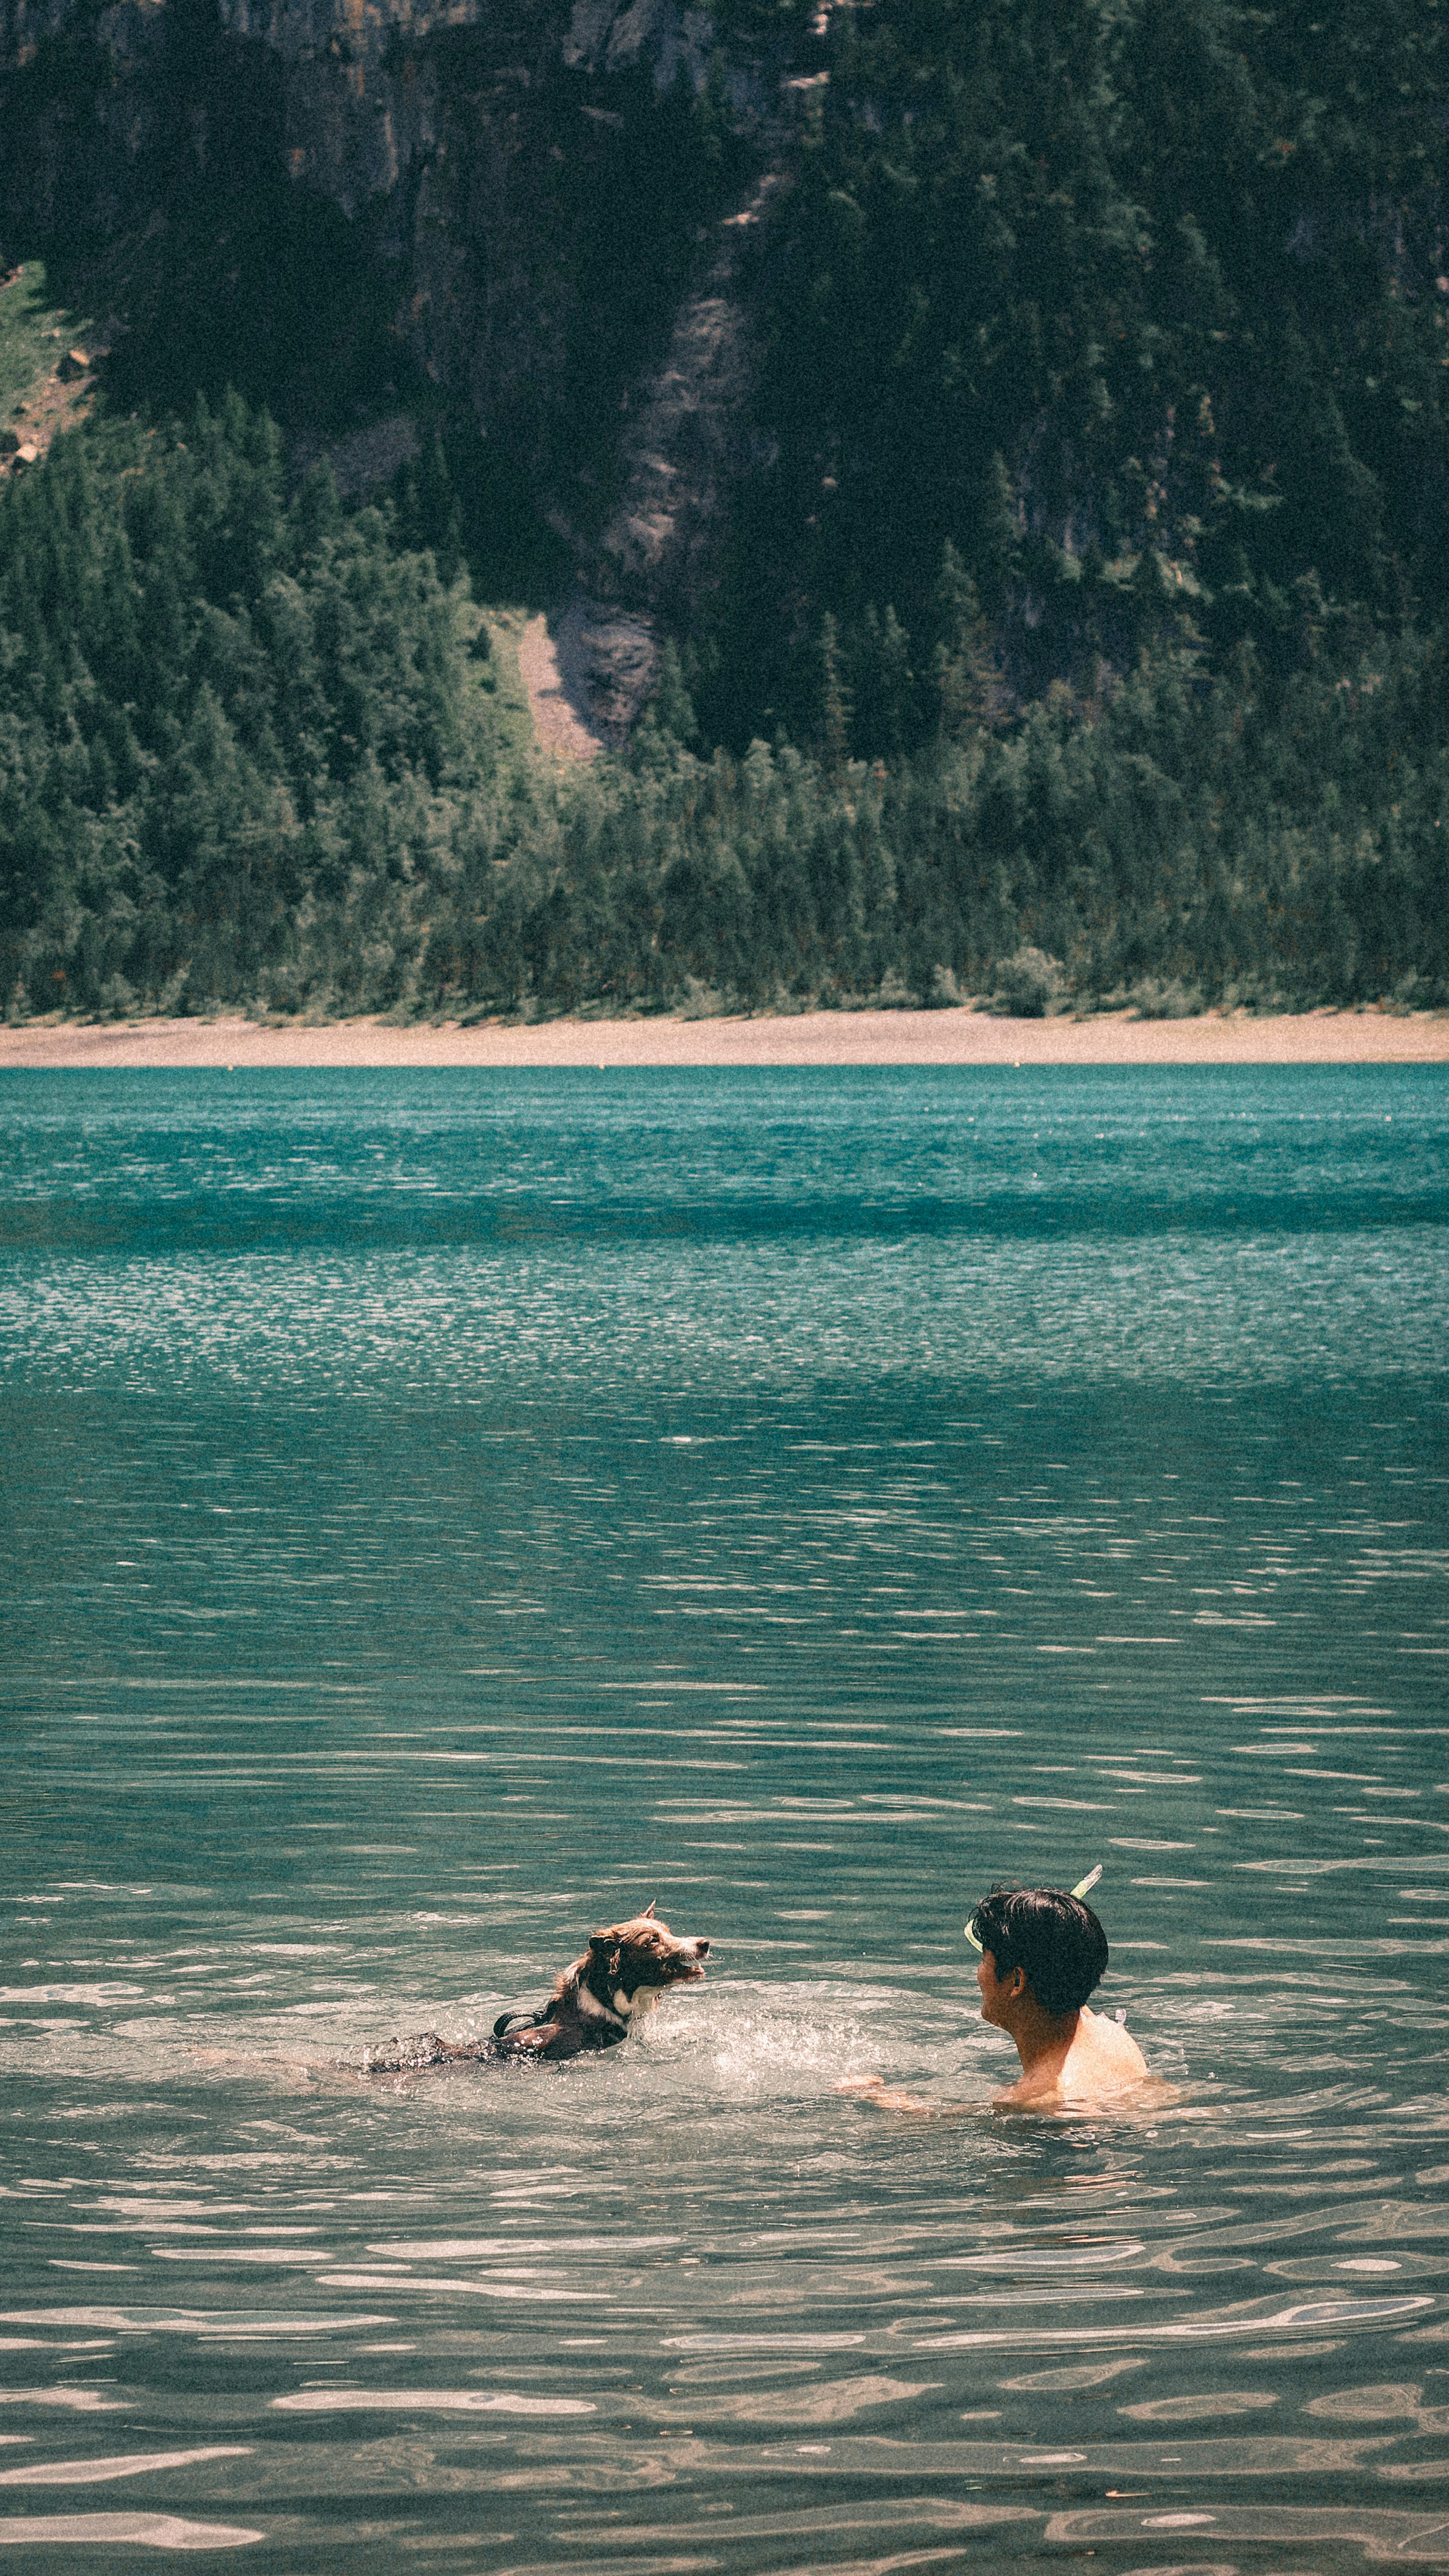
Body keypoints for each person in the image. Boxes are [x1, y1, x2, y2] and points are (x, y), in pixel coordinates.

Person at [841, 1879, 1154, 2116]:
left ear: (1017, 1981)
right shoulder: (1109, 2033)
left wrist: (873, 2095)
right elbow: (1064, 1956)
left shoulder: (1035, 2097)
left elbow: (944, 2119)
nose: (978, 1974)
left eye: (984, 1961)